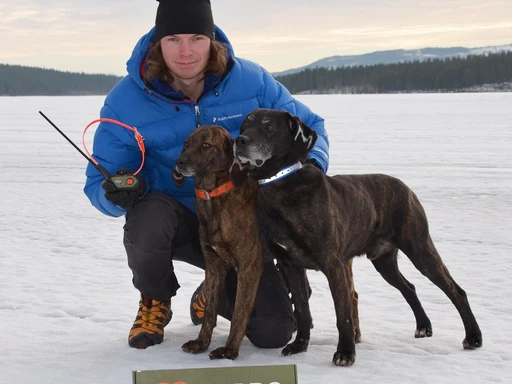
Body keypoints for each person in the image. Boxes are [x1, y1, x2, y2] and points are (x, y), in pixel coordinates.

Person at [84, 0, 330, 350]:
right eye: (173, 40)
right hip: (179, 223)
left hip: (243, 227)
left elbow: (312, 128)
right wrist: (115, 193)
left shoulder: (252, 82)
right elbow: (97, 183)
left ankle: (211, 295)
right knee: (148, 220)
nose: (186, 52)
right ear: (158, 43)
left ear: (212, 40)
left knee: (272, 331)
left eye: (197, 38)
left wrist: (311, 168)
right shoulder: (125, 102)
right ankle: (155, 298)